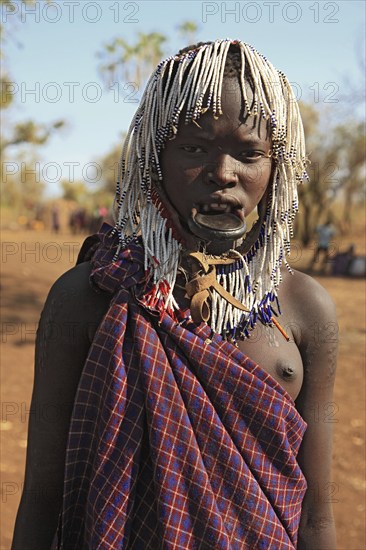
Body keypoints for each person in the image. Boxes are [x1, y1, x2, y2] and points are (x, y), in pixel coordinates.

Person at [12, 40, 338, 549]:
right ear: (153, 158)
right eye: (192, 147)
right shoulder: (90, 297)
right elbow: (42, 497)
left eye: (250, 153)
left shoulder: (303, 306)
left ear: (277, 169)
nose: (224, 173)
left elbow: (316, 518)